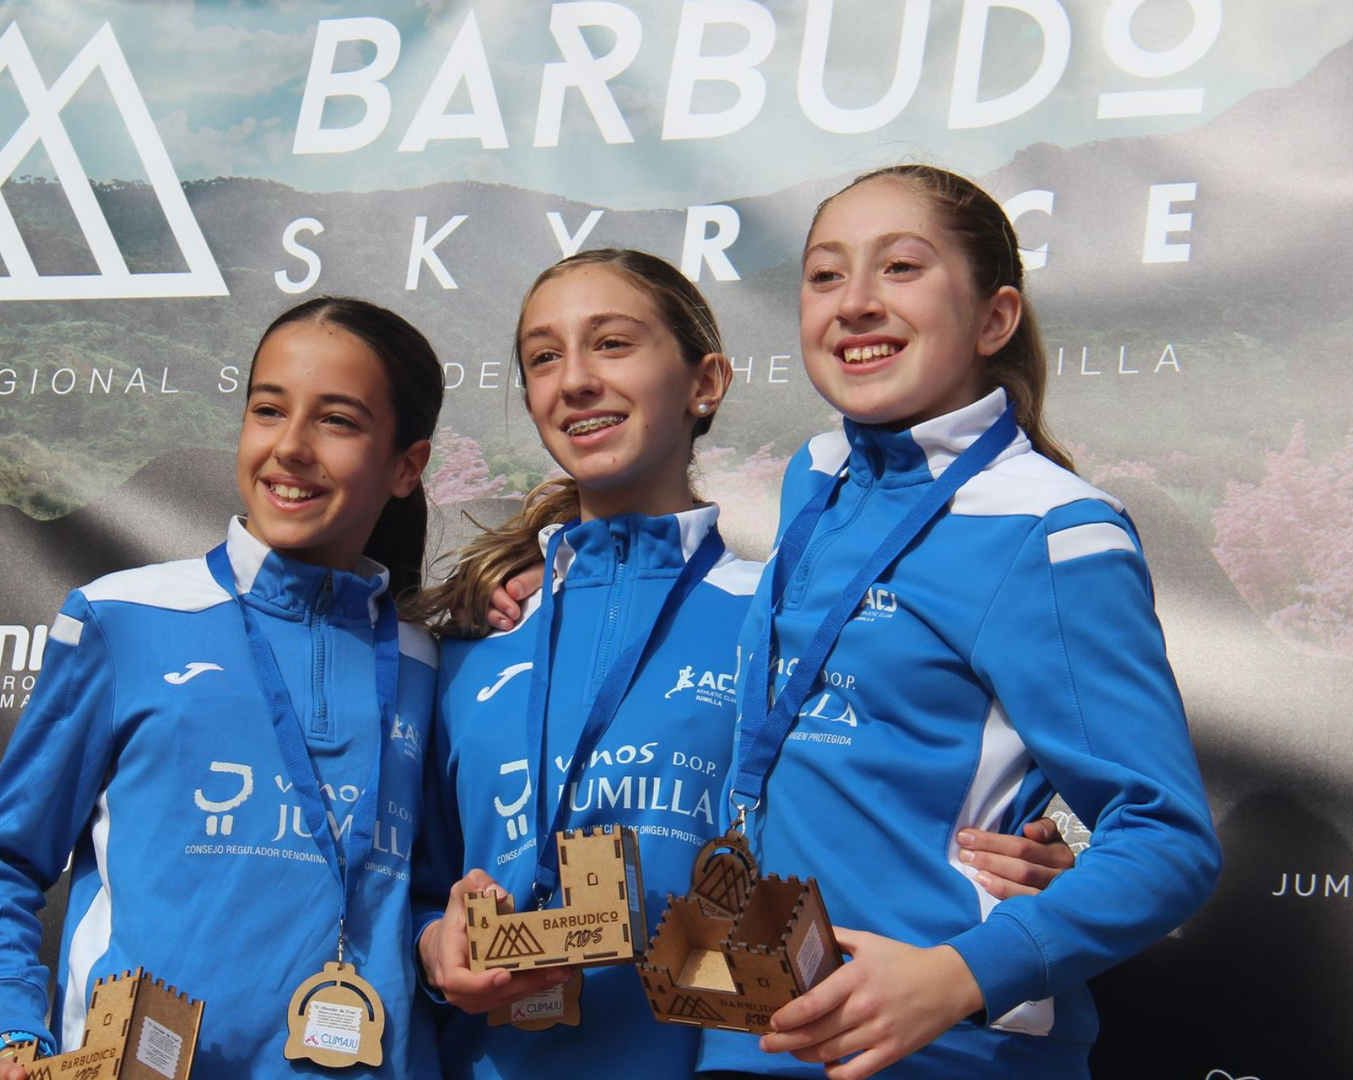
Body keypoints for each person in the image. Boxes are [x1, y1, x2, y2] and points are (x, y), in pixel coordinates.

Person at [408, 249, 1072, 1080]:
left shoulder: (794, 621)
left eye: (612, 344)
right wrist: (434, 944)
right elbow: (410, 886)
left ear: (706, 382)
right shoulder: (475, 639)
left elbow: (905, 800)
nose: (573, 379)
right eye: (544, 357)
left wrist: (1026, 866)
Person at [694, 164, 1221, 1080]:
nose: (855, 301)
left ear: (995, 318)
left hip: (948, 1051)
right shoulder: (816, 477)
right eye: (825, 274)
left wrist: (956, 978)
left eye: (900, 267)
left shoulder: (1053, 529)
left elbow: (1166, 842)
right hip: (758, 1030)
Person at [0, 297, 445, 1080]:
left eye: (337, 421)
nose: (290, 446)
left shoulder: (428, 664)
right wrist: (10, 1031)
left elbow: (430, 900)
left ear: (406, 466)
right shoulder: (123, 618)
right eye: (268, 410)